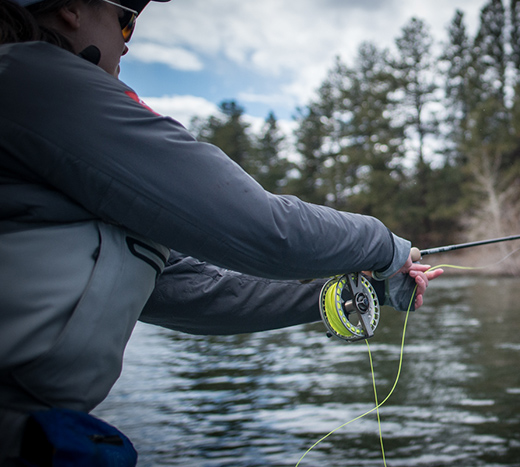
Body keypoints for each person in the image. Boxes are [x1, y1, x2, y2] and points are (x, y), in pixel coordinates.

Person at [0, 0, 443, 464]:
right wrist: (382, 244)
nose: (126, 47)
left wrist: (346, 295)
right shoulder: (34, 84)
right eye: (126, 24)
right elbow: (267, 231)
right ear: (71, 8)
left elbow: (185, 288)